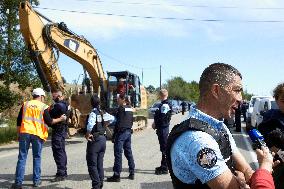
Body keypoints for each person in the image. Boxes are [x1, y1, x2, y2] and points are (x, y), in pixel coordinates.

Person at [166, 63, 254, 188]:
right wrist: (264, 171)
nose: (241, 98)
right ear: (216, 91)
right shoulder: (197, 140)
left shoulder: (219, 127)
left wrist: (245, 175)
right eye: (237, 90)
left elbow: (245, 169)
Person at [12, 88, 66, 189]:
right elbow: (49, 122)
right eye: (43, 97)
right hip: (37, 135)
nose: (43, 99)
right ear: (41, 96)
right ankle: (36, 181)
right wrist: (61, 119)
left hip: (24, 133)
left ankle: (18, 183)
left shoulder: (25, 104)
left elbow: (19, 121)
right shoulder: (43, 106)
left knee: (22, 158)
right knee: (36, 157)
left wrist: (18, 134)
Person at [258, 82, 284, 189]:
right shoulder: (271, 116)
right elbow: (268, 142)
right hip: (278, 164)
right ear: (276, 100)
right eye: (283, 101)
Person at [86, 94, 114, 189]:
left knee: (92, 163)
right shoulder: (103, 112)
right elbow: (113, 118)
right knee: (99, 163)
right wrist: (106, 123)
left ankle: (96, 185)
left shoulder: (93, 113)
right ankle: (100, 182)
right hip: (103, 140)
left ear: (91, 103)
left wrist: (87, 134)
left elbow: (90, 125)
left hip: (95, 140)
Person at [107, 94, 135, 182]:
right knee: (128, 153)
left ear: (123, 100)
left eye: (118, 99)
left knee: (118, 154)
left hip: (121, 134)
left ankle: (116, 175)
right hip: (128, 133)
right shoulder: (130, 108)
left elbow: (115, 119)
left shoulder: (120, 109)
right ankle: (132, 172)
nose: (117, 100)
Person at [49, 89, 69, 182]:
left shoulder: (58, 106)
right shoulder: (66, 104)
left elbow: (49, 116)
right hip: (62, 130)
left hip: (58, 131)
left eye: (54, 97)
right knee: (62, 151)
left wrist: (50, 109)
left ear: (59, 96)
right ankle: (63, 171)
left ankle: (61, 173)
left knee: (58, 152)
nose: (53, 98)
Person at [152, 89, 172, 175]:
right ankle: (163, 165)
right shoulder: (165, 104)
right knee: (163, 148)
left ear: (161, 95)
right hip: (163, 128)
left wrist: (155, 124)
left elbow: (162, 118)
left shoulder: (165, 105)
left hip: (163, 128)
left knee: (164, 148)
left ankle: (165, 168)